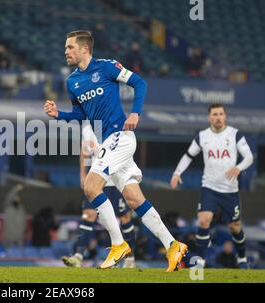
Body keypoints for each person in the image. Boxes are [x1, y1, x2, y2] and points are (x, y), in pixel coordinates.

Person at [44, 30, 187, 271]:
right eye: (66, 47)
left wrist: (135, 112)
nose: (65, 51)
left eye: (69, 47)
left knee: (90, 186)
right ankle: (173, 245)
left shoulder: (107, 67)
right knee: (134, 198)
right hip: (107, 142)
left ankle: (118, 244)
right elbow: (81, 115)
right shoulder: (72, 82)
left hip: (120, 137)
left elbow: (139, 82)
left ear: (84, 49)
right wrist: (60, 115)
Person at [170, 103, 254, 269]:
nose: (218, 117)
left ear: (225, 116)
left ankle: (242, 257)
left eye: (221, 114)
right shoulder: (202, 136)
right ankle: (201, 260)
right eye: (215, 114)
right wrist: (177, 173)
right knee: (204, 220)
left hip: (230, 190)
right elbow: (188, 155)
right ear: (209, 117)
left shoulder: (235, 134)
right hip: (209, 187)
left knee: (235, 227)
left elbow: (249, 157)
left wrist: (238, 168)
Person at [62, 122, 137, 268]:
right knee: (88, 215)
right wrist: (83, 173)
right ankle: (78, 256)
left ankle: (130, 258)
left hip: (116, 179)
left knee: (125, 217)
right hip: (96, 179)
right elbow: (85, 152)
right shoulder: (88, 127)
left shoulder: (116, 122)